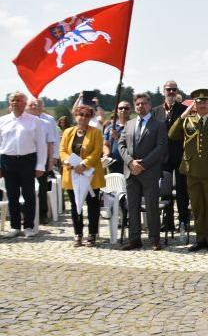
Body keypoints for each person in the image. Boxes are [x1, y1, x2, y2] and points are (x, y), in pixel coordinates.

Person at [168, 89, 208, 252]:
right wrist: (184, 114)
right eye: (198, 102)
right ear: (194, 104)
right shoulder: (187, 121)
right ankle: (200, 238)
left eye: (205, 102)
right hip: (192, 171)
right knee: (196, 207)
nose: (202, 105)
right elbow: (172, 134)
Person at [117, 93, 168, 250]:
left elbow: (161, 148)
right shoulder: (129, 124)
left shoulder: (158, 124)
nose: (141, 106)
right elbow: (121, 145)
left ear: (149, 105)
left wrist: (143, 164)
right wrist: (131, 162)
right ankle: (134, 239)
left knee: (152, 207)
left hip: (149, 171)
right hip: (131, 171)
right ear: (135, 106)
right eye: (138, 104)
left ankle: (154, 239)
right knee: (133, 206)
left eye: (144, 103)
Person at [0, 91, 47, 238]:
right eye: (13, 100)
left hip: (28, 160)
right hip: (8, 160)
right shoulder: (2, 121)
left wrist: (40, 165)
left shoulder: (34, 120)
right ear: (10, 103)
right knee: (12, 195)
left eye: (19, 100)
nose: (15, 102)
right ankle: (15, 226)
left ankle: (28, 226)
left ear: (25, 103)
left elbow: (41, 144)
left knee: (29, 194)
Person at [60, 104, 105, 247]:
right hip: (72, 173)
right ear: (75, 116)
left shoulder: (96, 132)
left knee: (92, 205)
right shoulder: (68, 132)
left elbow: (97, 151)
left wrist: (83, 164)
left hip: (90, 175)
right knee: (75, 205)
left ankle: (92, 234)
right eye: (81, 115)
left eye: (87, 115)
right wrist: (69, 162)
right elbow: (62, 150)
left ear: (90, 117)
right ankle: (77, 233)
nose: (83, 118)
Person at [152, 80, 190, 233]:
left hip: (180, 155)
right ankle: (167, 222)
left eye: (174, 90)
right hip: (163, 158)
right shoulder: (156, 111)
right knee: (165, 191)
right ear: (164, 91)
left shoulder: (184, 109)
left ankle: (183, 221)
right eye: (169, 90)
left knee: (182, 191)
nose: (171, 92)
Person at [25, 98, 59, 225]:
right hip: (26, 157)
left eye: (38, 105)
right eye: (32, 105)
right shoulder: (24, 120)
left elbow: (53, 141)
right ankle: (27, 213)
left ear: (42, 107)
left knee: (42, 187)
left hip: (42, 158)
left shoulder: (47, 120)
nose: (35, 107)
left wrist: (53, 158)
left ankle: (42, 214)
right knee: (27, 187)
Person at [103, 101, 131, 175]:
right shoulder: (110, 128)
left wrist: (117, 137)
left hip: (130, 163)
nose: (123, 110)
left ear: (130, 111)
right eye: (120, 108)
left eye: (126, 108)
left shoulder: (135, 126)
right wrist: (107, 153)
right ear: (117, 111)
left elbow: (134, 144)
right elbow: (105, 144)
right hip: (114, 163)